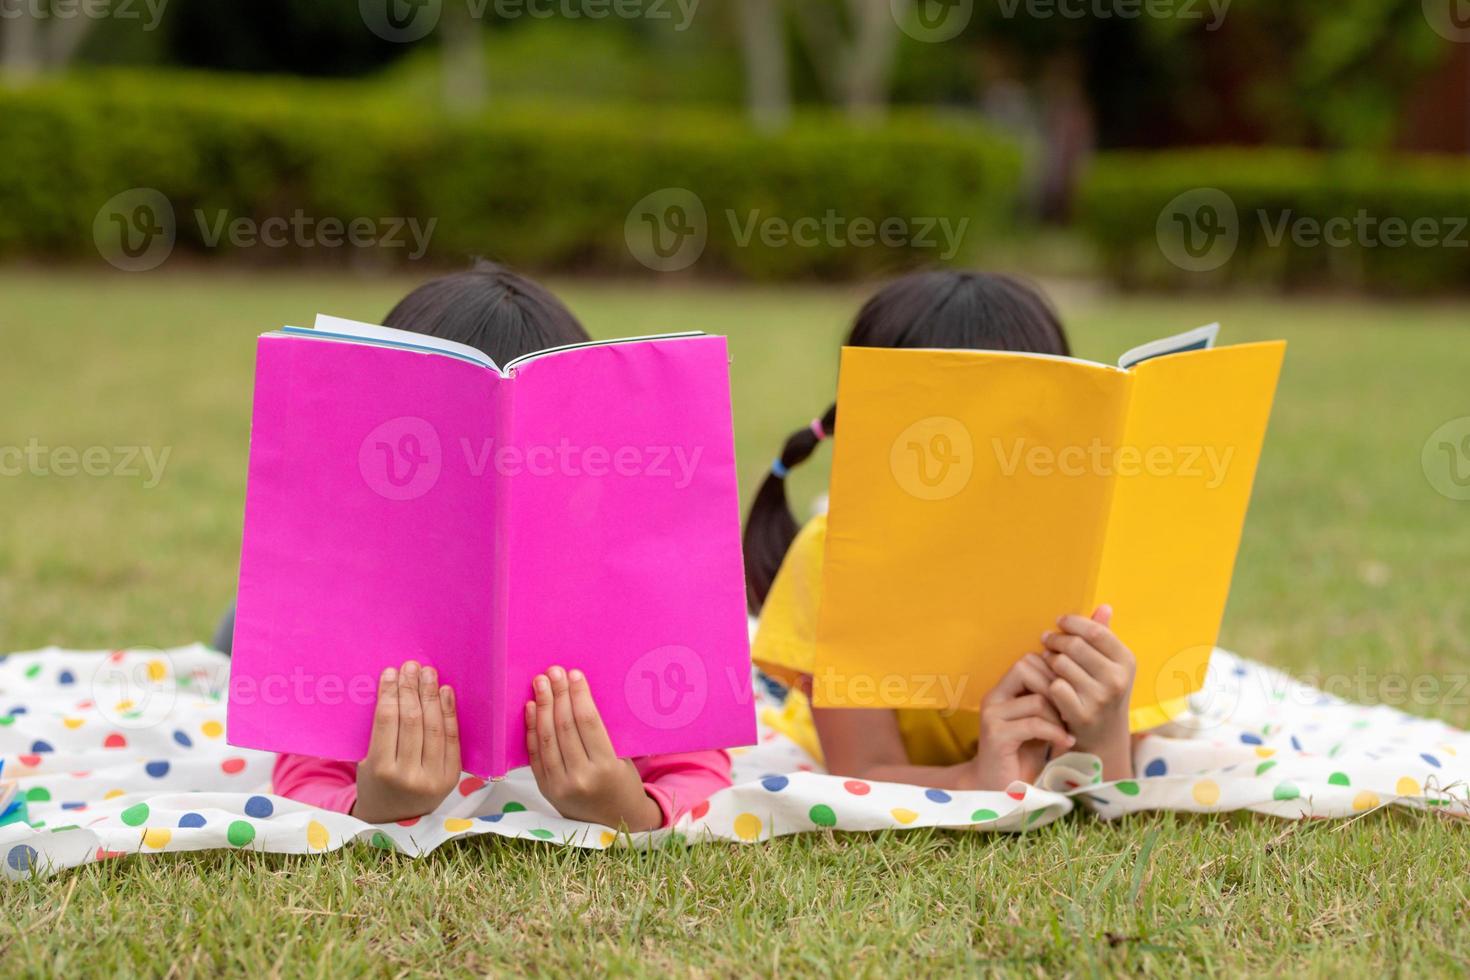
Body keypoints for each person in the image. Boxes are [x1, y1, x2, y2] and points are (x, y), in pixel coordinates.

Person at [233, 261, 731, 827]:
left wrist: (624, 809)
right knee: (239, 629)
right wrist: (370, 805)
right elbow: (301, 778)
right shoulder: (344, 610)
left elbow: (704, 774)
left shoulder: (643, 601)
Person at [747, 270, 1136, 790]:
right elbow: (862, 771)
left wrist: (1106, 737)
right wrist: (975, 778)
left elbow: (1117, 781)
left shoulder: (1097, 546)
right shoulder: (831, 559)